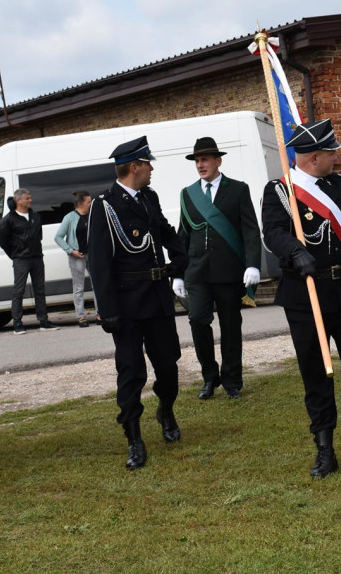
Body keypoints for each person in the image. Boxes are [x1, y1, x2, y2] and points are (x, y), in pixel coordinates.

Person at [261, 119, 341, 478]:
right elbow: (272, 232)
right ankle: (324, 446)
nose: (337, 156)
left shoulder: (340, 186)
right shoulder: (280, 189)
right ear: (314, 156)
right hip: (306, 295)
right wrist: (293, 251)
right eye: (331, 151)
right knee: (317, 373)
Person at [86, 136, 189, 470]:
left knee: (169, 366)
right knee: (131, 373)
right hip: (127, 304)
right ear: (134, 167)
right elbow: (99, 263)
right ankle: (134, 439)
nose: (151, 169)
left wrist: (182, 258)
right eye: (147, 164)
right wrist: (108, 310)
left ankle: (166, 411)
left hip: (157, 299)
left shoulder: (148, 198)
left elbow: (163, 231)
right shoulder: (105, 205)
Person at [178, 137, 262, 400]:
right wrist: (177, 273)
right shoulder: (187, 193)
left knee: (230, 326)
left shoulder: (237, 189)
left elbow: (250, 229)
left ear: (218, 161)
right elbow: (183, 234)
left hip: (228, 271)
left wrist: (253, 264)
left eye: (205, 159)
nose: (200, 165)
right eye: (197, 160)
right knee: (197, 320)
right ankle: (209, 376)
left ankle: (232, 381)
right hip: (197, 272)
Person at [0, 188, 59, 334]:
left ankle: (43, 321)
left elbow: (39, 236)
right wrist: (15, 255)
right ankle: (17, 324)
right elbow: (3, 241)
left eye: (30, 197)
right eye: (27, 198)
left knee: (40, 290)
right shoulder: (9, 219)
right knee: (18, 291)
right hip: (21, 259)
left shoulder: (36, 216)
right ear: (18, 200)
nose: (30, 200)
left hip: (37, 257)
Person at [55, 190, 94, 327]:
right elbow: (58, 237)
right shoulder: (69, 217)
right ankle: (81, 317)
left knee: (98, 285)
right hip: (77, 256)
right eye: (89, 202)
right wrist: (71, 251)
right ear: (80, 203)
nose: (91, 204)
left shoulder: (92, 215)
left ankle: (101, 313)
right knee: (79, 287)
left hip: (93, 254)